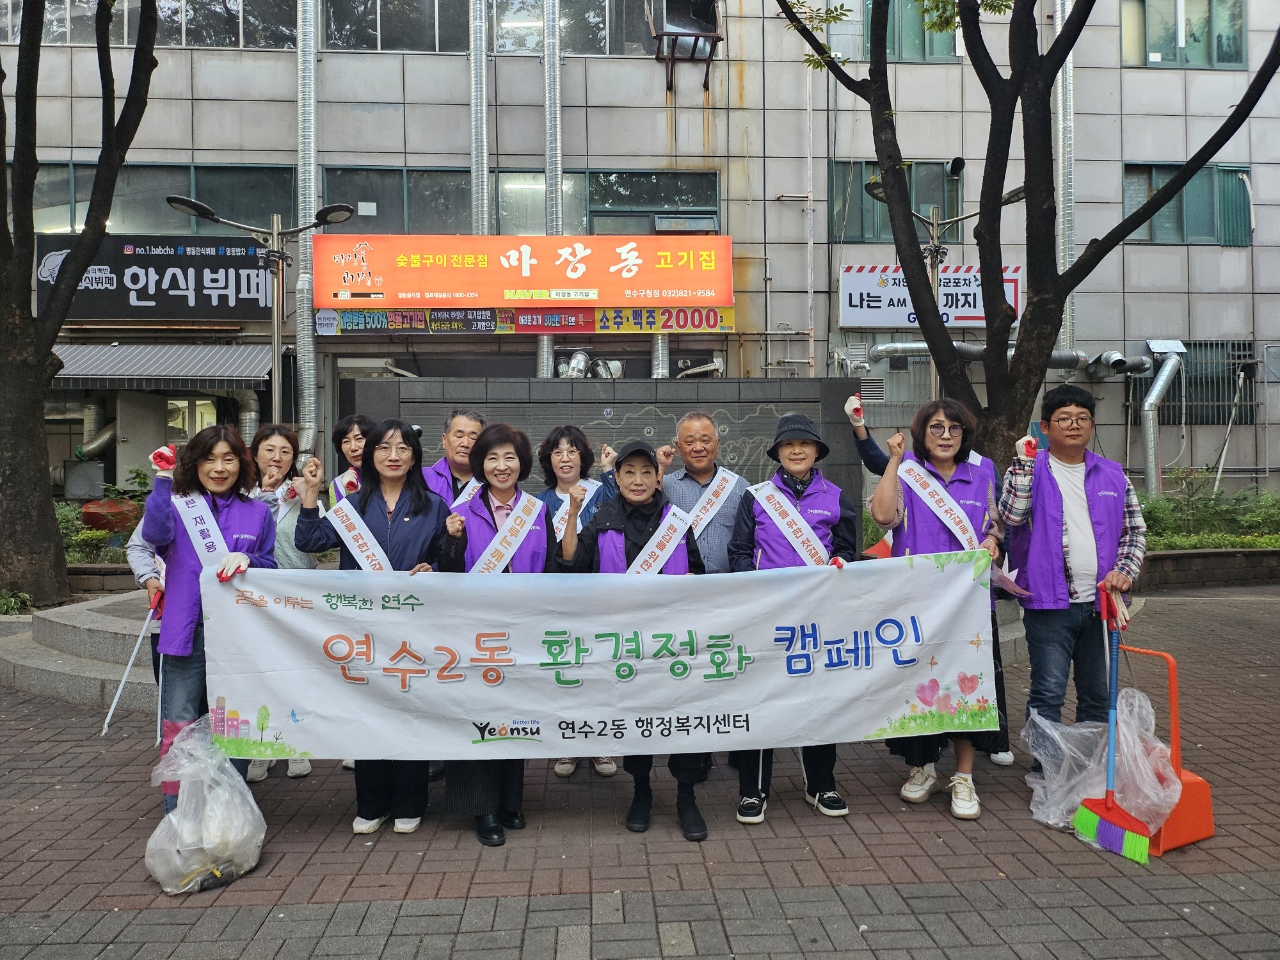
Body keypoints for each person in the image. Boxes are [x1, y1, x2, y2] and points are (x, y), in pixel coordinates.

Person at [295, 419, 448, 835]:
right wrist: (310, 495)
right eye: (383, 448)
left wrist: (434, 565)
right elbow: (310, 541)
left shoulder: (434, 506)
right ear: (371, 456)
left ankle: (410, 802)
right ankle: (372, 802)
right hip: (362, 627)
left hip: (412, 628)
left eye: (402, 448)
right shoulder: (352, 506)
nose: (392, 456)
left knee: (409, 710)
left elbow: (447, 559)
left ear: (414, 456)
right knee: (367, 710)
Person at [846, 395, 1015, 767]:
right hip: (916, 601)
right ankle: (922, 767)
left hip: (968, 603)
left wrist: (992, 540)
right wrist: (893, 461)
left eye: (955, 428)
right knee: (917, 683)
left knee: (966, 683)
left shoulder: (984, 470)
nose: (946, 435)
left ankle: (965, 774)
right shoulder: (906, 469)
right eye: (936, 427)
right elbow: (885, 517)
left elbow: (997, 523)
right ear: (922, 433)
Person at [556, 440, 712, 842]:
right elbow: (571, 565)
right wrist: (573, 513)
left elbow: (697, 572)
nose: (639, 480)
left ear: (658, 477)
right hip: (624, 645)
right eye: (629, 472)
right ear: (618, 476)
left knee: (681, 718)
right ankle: (641, 792)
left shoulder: (677, 520)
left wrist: (695, 583)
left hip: (672, 643)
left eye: (647, 472)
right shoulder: (603, 517)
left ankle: (685, 796)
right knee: (637, 718)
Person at [726, 413, 859, 824]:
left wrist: (842, 562)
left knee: (820, 699)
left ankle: (820, 784)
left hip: (819, 617)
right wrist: (754, 589)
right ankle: (753, 790)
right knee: (759, 697)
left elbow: (849, 550)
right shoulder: (756, 496)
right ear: (778, 453)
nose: (797, 450)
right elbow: (739, 552)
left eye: (804, 443)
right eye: (788, 445)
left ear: (817, 450)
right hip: (768, 616)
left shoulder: (836, 496)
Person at [141, 425, 277, 814]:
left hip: (237, 635)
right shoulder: (178, 504)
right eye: (209, 459)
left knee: (232, 723)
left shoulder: (257, 513)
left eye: (229, 459)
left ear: (242, 463)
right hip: (184, 630)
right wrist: (162, 483)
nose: (219, 468)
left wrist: (250, 560)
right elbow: (154, 533)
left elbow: (270, 565)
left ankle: (230, 810)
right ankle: (177, 811)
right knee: (179, 724)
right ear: (195, 463)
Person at [1000, 384, 1147, 742]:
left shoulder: (1113, 474)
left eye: (1082, 418)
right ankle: (1047, 770)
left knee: (1097, 695)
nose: (1073, 424)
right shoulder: (1029, 469)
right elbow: (1012, 517)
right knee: (1048, 693)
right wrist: (1023, 464)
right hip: (1048, 603)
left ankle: (1090, 770)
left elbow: (1134, 532)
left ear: (1092, 426)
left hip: (1101, 604)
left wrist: (1124, 572)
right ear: (1045, 427)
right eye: (1063, 418)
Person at [437, 424, 554, 846]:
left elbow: (553, 569)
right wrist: (451, 543)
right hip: (475, 633)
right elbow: (446, 573)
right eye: (492, 458)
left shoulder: (538, 511)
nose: (501, 466)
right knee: (478, 715)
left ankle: (509, 799)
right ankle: (481, 807)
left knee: (516, 715)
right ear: (480, 465)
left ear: (522, 463)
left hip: (522, 631)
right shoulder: (460, 512)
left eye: (509, 458)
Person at [534, 425, 619, 781]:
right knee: (566, 671)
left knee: (598, 669)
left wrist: (610, 472)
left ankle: (599, 743)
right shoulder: (538, 503)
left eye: (572, 451)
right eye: (557, 452)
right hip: (557, 599)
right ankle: (567, 741)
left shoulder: (601, 493)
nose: (565, 457)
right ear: (548, 460)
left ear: (583, 458)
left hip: (599, 596)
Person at [245, 424, 317, 783]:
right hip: (251, 596)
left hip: (294, 592)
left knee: (295, 672)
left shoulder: (304, 491)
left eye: (286, 452)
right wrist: (264, 496)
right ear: (255, 453)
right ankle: (265, 745)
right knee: (260, 673)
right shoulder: (239, 494)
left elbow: (315, 539)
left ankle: (296, 743)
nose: (277, 458)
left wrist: (308, 496)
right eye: (270, 450)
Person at [656, 411, 747, 575]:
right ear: (678, 447)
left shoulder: (739, 486)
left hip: (729, 587)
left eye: (706, 441)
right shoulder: (665, 485)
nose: (698, 448)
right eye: (689, 442)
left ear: (718, 443)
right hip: (679, 586)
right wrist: (660, 468)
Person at [125, 523, 164, 682]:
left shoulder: (246, 502)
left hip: (233, 617)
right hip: (171, 617)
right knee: (172, 699)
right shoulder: (169, 501)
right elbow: (139, 547)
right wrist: (149, 577)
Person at [424, 409, 486, 507]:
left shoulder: (491, 481)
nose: (465, 444)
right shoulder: (423, 478)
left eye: (473, 438)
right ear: (444, 440)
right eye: (459, 436)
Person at [330, 414, 375, 505]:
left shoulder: (391, 477)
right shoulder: (337, 485)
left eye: (359, 439)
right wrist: (350, 492)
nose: (353, 447)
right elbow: (337, 518)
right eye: (346, 441)